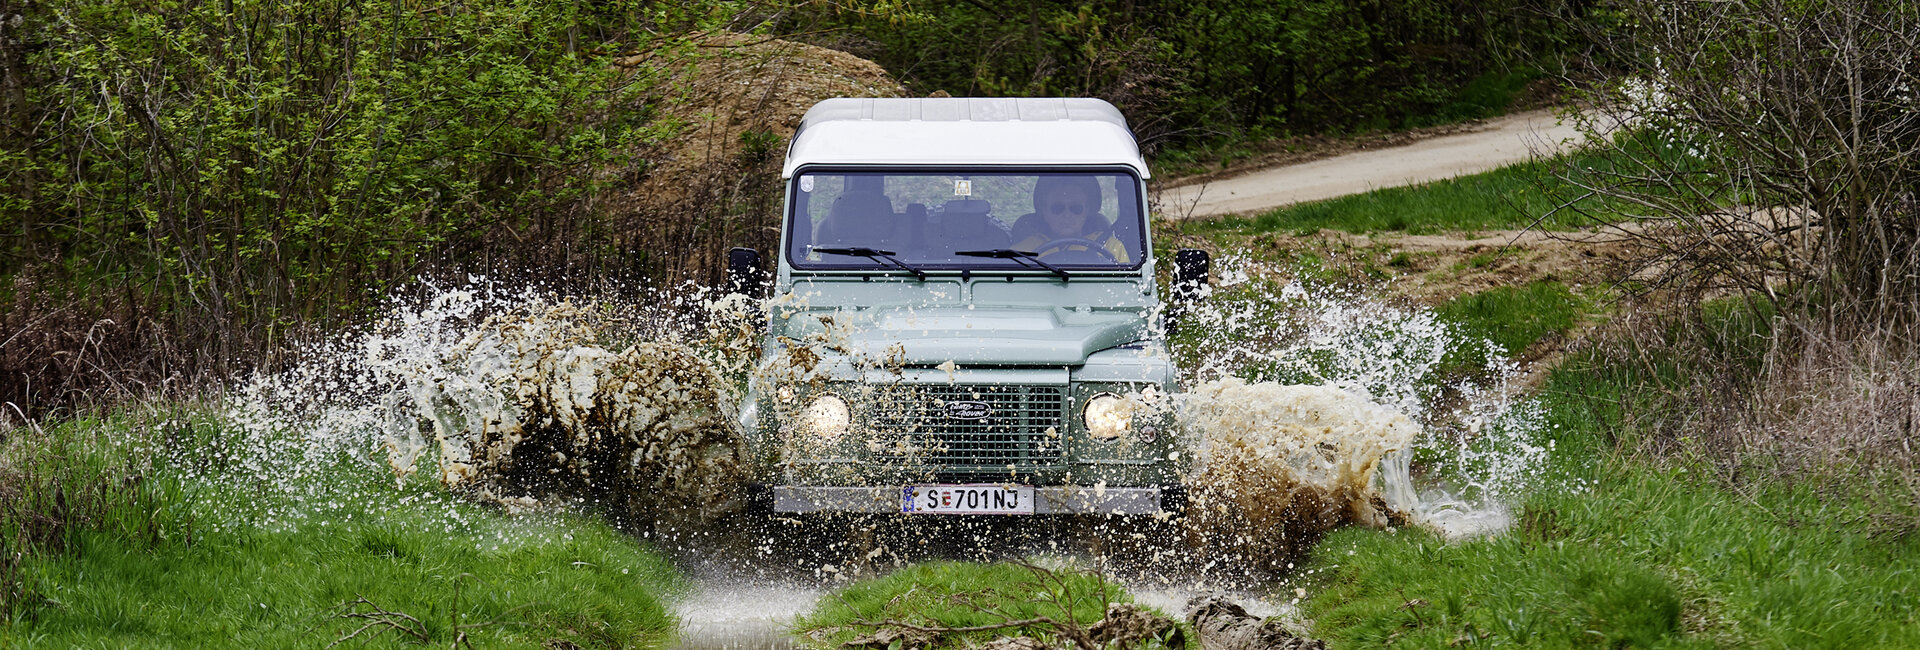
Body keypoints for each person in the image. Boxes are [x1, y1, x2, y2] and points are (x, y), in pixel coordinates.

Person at [1009, 176, 1131, 263]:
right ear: (1044, 212)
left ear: (1087, 211)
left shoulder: (1111, 247)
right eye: (1057, 208)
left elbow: (1125, 290)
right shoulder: (1021, 251)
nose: (1067, 215)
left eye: (1076, 208)